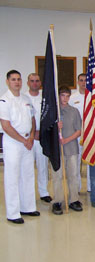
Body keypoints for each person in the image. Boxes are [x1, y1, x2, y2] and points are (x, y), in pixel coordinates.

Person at [0, 70, 40, 224]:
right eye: (13, 79)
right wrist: (24, 141)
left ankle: (28, 207)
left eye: (19, 79)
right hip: (13, 143)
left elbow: (32, 119)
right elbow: (6, 126)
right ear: (7, 82)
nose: (17, 82)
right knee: (12, 177)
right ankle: (13, 212)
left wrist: (30, 137)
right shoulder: (4, 101)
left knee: (28, 174)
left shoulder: (26, 99)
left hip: (27, 141)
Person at [52, 85, 82, 215]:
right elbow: (46, 129)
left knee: (73, 175)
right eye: (62, 95)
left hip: (71, 147)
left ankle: (74, 199)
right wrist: (55, 126)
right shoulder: (54, 111)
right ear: (58, 96)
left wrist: (67, 140)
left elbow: (79, 131)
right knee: (57, 176)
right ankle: (57, 201)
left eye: (67, 96)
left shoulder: (74, 111)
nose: (65, 98)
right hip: (57, 150)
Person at [25, 73, 52, 202]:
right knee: (27, 167)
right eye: (32, 81)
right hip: (28, 138)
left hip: (42, 137)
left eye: (37, 81)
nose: (34, 83)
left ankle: (44, 192)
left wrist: (41, 132)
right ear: (28, 83)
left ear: (40, 83)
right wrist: (32, 133)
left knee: (43, 166)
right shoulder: (23, 98)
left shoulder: (45, 97)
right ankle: (28, 194)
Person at [69, 73, 88, 191]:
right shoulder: (72, 98)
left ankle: (92, 187)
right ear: (77, 82)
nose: (83, 83)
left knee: (91, 161)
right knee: (75, 163)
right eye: (81, 80)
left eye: (85, 80)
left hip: (90, 134)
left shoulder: (93, 97)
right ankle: (77, 188)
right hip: (76, 134)